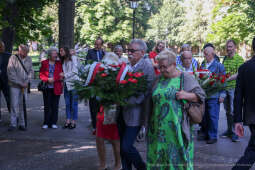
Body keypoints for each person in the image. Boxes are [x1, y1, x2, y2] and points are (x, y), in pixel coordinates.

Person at [147, 49, 205, 169]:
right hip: (157, 130)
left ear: (173, 65)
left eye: (164, 67)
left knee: (178, 161)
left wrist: (187, 95)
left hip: (177, 129)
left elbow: (201, 96)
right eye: (159, 67)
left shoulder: (185, 78)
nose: (161, 70)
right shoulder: (158, 79)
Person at [119, 39, 155, 170]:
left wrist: (123, 101)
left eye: (132, 51)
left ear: (142, 52)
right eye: (128, 50)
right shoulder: (127, 65)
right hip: (122, 111)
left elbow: (144, 94)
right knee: (121, 147)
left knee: (126, 146)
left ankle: (141, 167)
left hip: (136, 113)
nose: (129, 53)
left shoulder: (147, 67)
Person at [96, 52, 122, 170]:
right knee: (100, 137)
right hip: (103, 109)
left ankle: (118, 164)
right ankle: (103, 165)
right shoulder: (100, 75)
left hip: (115, 110)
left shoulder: (120, 76)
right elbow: (96, 94)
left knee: (115, 139)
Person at [232, 37, 255, 170]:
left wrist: (237, 120)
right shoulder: (245, 67)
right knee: (252, 151)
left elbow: (238, 96)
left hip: (251, 117)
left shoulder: (244, 68)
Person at [199, 47, 226, 144]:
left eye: (206, 53)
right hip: (204, 95)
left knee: (212, 116)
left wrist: (222, 95)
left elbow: (223, 81)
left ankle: (213, 136)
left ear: (212, 54)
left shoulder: (219, 66)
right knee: (205, 116)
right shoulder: (203, 64)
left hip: (214, 95)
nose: (204, 55)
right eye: (204, 53)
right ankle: (206, 134)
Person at [221, 39, 244, 142]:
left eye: (230, 46)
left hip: (234, 88)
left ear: (235, 48)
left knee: (234, 111)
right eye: (227, 46)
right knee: (227, 111)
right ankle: (229, 130)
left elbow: (239, 73)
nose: (228, 48)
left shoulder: (239, 59)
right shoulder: (225, 58)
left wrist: (227, 78)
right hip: (224, 88)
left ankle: (235, 133)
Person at [7, 44, 33, 131]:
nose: (27, 53)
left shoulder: (29, 59)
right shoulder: (13, 58)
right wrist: (20, 83)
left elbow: (31, 71)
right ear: (20, 51)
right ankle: (13, 124)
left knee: (23, 105)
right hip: (14, 86)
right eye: (25, 51)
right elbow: (11, 73)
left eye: (27, 51)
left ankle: (22, 124)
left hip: (24, 86)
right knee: (14, 105)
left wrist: (27, 81)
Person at [39, 47, 64, 129]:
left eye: (56, 53)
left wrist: (54, 79)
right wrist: (47, 79)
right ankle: (46, 122)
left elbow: (61, 75)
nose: (56, 55)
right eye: (54, 53)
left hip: (56, 87)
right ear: (49, 55)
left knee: (55, 106)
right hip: (47, 87)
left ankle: (53, 122)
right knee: (47, 105)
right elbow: (41, 75)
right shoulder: (44, 63)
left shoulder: (59, 63)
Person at [86, 37, 105, 134]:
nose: (97, 46)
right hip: (92, 82)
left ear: (102, 45)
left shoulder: (104, 53)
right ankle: (94, 126)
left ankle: (100, 125)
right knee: (93, 105)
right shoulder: (90, 52)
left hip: (102, 84)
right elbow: (87, 64)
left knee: (101, 106)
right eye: (96, 44)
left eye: (99, 44)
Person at [60, 47, 79, 129]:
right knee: (67, 104)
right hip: (66, 84)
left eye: (62, 50)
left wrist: (65, 75)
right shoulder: (63, 60)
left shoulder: (73, 58)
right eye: (60, 51)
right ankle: (68, 120)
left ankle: (73, 121)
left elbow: (75, 71)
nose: (60, 52)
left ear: (66, 51)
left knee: (74, 104)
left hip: (74, 84)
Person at [0, 41, 11, 122]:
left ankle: (13, 116)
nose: (2, 48)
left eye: (2, 46)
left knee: (9, 99)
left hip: (6, 81)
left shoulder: (8, 56)